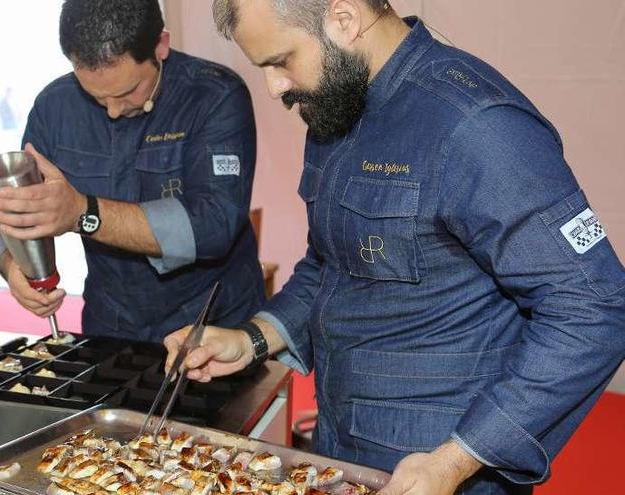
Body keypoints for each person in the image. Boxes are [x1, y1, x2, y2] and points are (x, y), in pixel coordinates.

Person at [164, 1, 625, 494]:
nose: (275, 86)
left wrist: (454, 461)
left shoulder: (476, 125)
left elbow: (595, 307)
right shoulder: (335, 101)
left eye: (280, 61)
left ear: (343, 19)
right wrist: (252, 339)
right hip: (340, 444)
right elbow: (331, 264)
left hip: (440, 469)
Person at [0, 0, 265, 342]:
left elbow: (213, 226)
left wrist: (82, 213)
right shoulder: (54, 108)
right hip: (111, 324)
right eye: (96, 98)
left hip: (214, 326)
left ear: (160, 45)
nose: (114, 111)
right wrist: (13, 267)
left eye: (128, 92)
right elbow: (16, 215)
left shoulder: (215, 96)